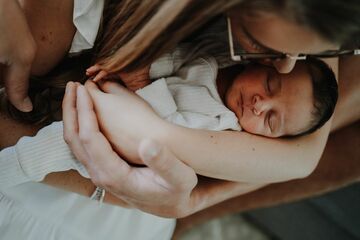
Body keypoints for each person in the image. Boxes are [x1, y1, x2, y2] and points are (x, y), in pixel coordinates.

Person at [0, 0, 358, 237]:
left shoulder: (238, 109)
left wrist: (159, 141)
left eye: (272, 123)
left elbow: (303, 157)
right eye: (257, 47)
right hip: (52, 166)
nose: (284, 65)